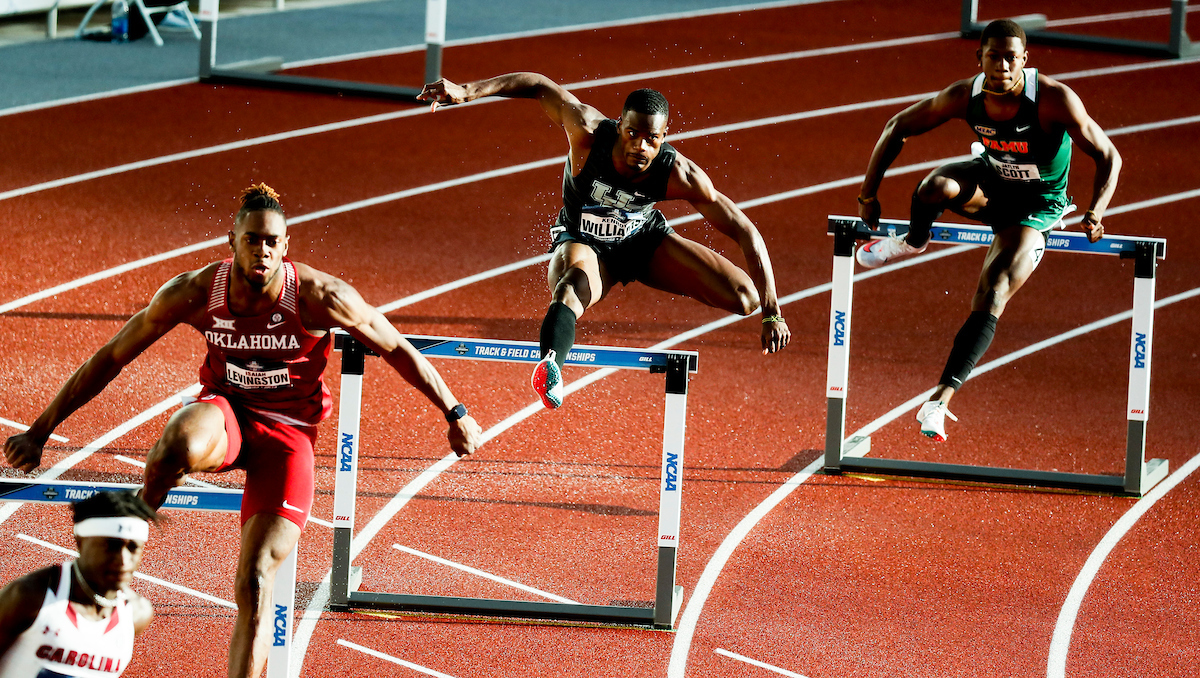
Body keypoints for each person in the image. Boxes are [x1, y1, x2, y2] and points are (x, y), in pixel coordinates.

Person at [3, 184, 483, 677]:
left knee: (256, 582)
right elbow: (113, 355)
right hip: (226, 412)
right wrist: (41, 430)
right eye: (252, 240)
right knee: (177, 443)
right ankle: (133, 540)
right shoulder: (193, 292)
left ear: (286, 245)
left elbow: (397, 346)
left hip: (290, 436)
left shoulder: (321, 297)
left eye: (272, 241)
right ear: (231, 241)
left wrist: (454, 411)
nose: (263, 251)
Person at [418, 73, 791, 409]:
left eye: (652, 140)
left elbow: (745, 230)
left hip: (643, 243)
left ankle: (754, 301)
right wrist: (468, 91)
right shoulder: (587, 133)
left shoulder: (679, 174)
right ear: (620, 125)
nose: (641, 147)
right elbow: (538, 85)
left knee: (746, 299)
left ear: (664, 138)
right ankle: (551, 366)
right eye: (633, 134)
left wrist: (772, 310)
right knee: (570, 287)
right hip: (585, 242)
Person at [854, 19, 1120, 441]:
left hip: (1036, 207)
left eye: (1011, 57)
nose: (1002, 65)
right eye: (993, 56)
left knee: (993, 290)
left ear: (1025, 61)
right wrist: (868, 195)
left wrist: (1096, 210)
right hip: (990, 184)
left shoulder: (1053, 100)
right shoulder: (965, 96)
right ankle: (913, 242)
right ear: (978, 59)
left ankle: (938, 401)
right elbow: (897, 127)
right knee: (933, 188)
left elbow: (1109, 155)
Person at [0, 491, 158, 677]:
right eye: (111, 546)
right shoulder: (31, 596)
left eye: (133, 548)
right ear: (80, 541)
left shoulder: (137, 614)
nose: (123, 560)